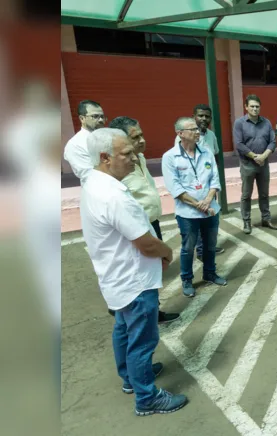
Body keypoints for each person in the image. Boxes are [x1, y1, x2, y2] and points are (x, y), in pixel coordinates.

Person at [81, 128, 188, 416]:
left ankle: (131, 377)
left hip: (116, 278)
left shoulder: (93, 183)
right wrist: (167, 252)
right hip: (134, 280)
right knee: (142, 340)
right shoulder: (113, 195)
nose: (134, 156)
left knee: (125, 331)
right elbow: (145, 242)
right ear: (105, 158)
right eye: (126, 153)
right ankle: (147, 398)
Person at [108, 116, 179, 324]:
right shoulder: (117, 170)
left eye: (141, 134)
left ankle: (154, 312)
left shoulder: (140, 159)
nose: (141, 140)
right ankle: (134, 314)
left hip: (151, 222)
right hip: (136, 230)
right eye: (135, 137)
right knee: (141, 275)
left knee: (153, 272)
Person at [162, 117, 227, 298]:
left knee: (210, 244)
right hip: (187, 213)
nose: (197, 132)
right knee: (188, 248)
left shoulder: (206, 152)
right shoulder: (170, 157)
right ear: (180, 133)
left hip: (211, 209)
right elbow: (175, 188)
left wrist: (207, 200)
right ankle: (187, 279)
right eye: (193, 129)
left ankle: (210, 273)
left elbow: (214, 179)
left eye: (197, 129)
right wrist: (199, 205)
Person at [234, 94, 277, 233]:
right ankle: (246, 222)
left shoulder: (267, 122)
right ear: (246, 107)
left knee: (264, 194)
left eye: (257, 106)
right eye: (252, 106)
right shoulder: (239, 123)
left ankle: (266, 218)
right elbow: (239, 144)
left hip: (263, 164)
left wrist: (264, 156)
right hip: (248, 164)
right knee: (246, 195)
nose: (254, 109)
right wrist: (254, 156)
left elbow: (272, 141)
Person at [193, 104, 226, 258]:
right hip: (195, 187)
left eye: (207, 116)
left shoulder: (211, 135)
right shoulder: (187, 136)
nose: (204, 119)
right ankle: (201, 251)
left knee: (212, 217)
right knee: (200, 217)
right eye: (201, 115)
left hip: (211, 186)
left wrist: (216, 178)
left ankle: (210, 246)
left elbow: (216, 155)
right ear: (195, 116)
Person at [63, 99, 105, 182]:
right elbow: (89, 175)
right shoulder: (76, 144)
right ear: (82, 118)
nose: (100, 120)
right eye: (95, 116)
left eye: (102, 116)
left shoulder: (107, 136)